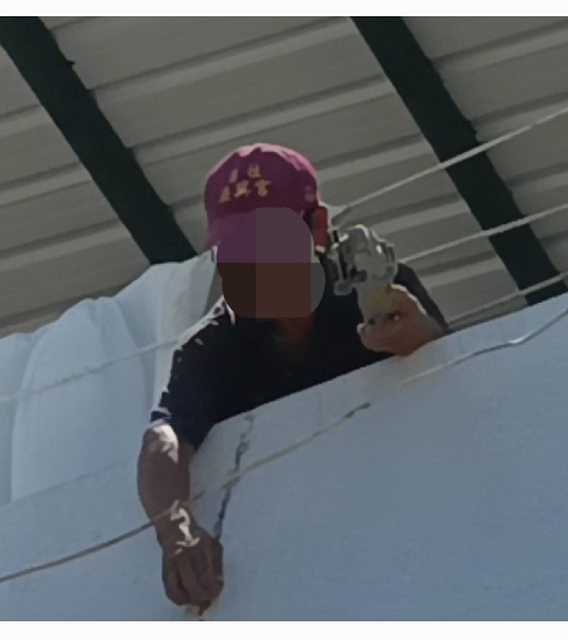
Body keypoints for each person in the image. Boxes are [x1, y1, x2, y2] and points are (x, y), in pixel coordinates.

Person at [137, 143, 448, 612]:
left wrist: (422, 341)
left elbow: (461, 380)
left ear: (317, 228)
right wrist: (176, 531)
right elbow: (165, 438)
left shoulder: (378, 295)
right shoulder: (214, 345)